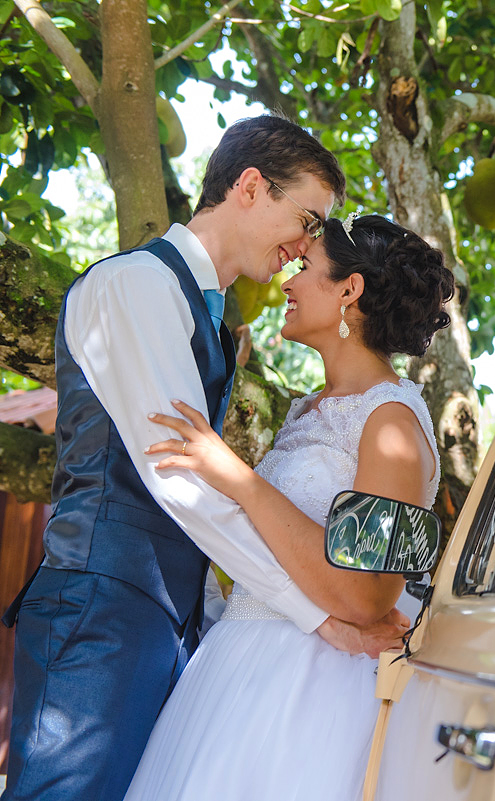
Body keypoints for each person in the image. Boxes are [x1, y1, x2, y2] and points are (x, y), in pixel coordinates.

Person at [0, 116, 405, 801]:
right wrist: (314, 616)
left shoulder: (210, 323)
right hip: (98, 610)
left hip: (165, 623)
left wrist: (212, 618)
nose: (305, 247)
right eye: (306, 219)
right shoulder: (136, 285)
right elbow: (182, 482)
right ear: (250, 186)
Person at [122, 212, 455, 801]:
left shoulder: (391, 422)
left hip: (314, 690)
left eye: (306, 267)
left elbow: (368, 595)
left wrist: (240, 480)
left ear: (349, 290)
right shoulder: (307, 408)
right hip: (235, 668)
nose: (288, 282)